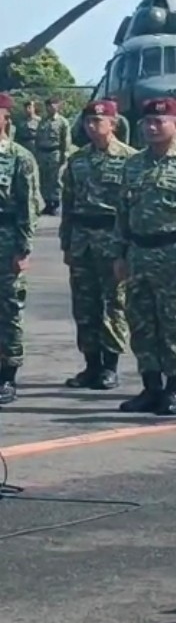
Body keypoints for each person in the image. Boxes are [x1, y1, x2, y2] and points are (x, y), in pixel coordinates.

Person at [113, 98, 176, 416]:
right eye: (148, 122)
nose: (152, 127)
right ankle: (150, 386)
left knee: (174, 325)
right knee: (141, 324)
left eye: (160, 121)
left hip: (174, 254)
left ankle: (174, 389)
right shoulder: (134, 164)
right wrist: (119, 253)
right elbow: (122, 212)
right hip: (140, 253)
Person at [60, 99, 137, 390]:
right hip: (82, 239)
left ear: (113, 124)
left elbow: (132, 208)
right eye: (89, 122)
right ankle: (91, 365)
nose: (93, 127)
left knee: (113, 305)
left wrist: (127, 248)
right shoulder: (77, 160)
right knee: (84, 305)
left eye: (99, 122)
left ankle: (110, 366)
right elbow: (68, 204)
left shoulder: (130, 159)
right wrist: (67, 242)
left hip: (112, 238)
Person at [0, 94, 39, 405]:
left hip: (6, 240)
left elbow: (28, 208)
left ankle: (7, 376)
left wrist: (23, 249)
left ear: (5, 118)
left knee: (9, 310)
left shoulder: (19, 157)